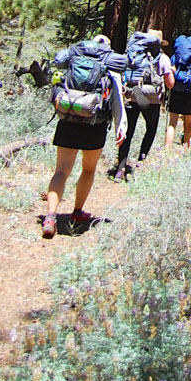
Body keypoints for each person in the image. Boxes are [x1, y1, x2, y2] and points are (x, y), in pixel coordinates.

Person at [42, 33, 127, 239]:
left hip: (68, 120)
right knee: (88, 169)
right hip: (94, 124)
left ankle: (51, 216)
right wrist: (121, 124)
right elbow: (116, 98)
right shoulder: (109, 64)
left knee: (61, 171)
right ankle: (78, 212)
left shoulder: (74, 59)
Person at [113, 29, 175, 182]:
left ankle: (120, 169)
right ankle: (142, 160)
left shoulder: (133, 55)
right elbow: (170, 84)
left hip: (133, 94)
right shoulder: (162, 58)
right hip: (151, 99)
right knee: (151, 129)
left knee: (128, 131)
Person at [165, 33, 191, 149]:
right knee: (188, 124)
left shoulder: (175, 57)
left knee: (172, 123)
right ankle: (186, 150)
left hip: (176, 92)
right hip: (190, 94)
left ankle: (167, 150)